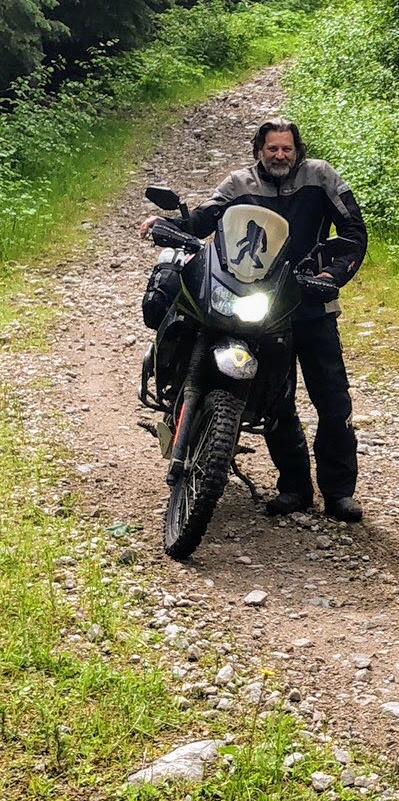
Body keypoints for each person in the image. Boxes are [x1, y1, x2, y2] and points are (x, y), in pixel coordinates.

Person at [139, 118, 367, 522]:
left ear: (298, 149)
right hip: (263, 302)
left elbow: (353, 231)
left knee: (332, 402)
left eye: (287, 148)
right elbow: (206, 218)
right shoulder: (239, 183)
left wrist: (333, 274)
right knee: (275, 401)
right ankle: (295, 487)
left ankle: (339, 494)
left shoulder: (322, 177)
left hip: (311, 302)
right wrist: (169, 226)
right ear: (258, 150)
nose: (280, 155)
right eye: (272, 148)